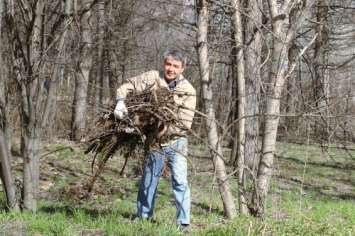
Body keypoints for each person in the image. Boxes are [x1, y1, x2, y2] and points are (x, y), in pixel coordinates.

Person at [114, 49, 196, 229]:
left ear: (182, 69)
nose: (171, 69)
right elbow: (127, 86)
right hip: (154, 142)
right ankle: (143, 216)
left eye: (176, 66)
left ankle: (183, 223)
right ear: (163, 64)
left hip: (177, 141)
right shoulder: (151, 78)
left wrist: (156, 121)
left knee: (180, 181)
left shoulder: (188, 90)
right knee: (149, 180)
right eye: (168, 64)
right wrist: (120, 101)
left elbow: (184, 124)